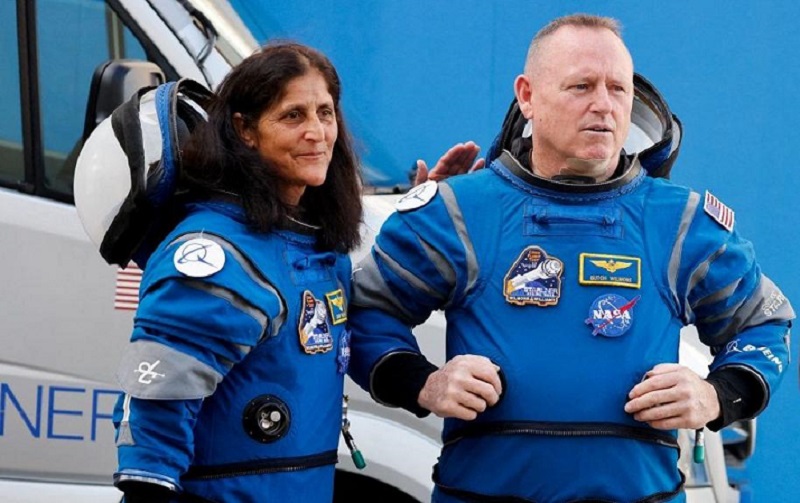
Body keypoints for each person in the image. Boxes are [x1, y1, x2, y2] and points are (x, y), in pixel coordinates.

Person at [346, 14, 794, 502]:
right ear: (528, 96)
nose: (603, 105)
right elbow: (366, 314)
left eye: (618, 89)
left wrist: (716, 395)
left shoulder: (682, 222)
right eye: (581, 86)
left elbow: (763, 325)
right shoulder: (457, 212)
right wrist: (423, 383)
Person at [108, 42, 363, 503]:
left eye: (325, 113)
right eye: (293, 116)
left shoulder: (319, 247)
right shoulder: (215, 255)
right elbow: (158, 404)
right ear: (245, 130)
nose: (317, 132)